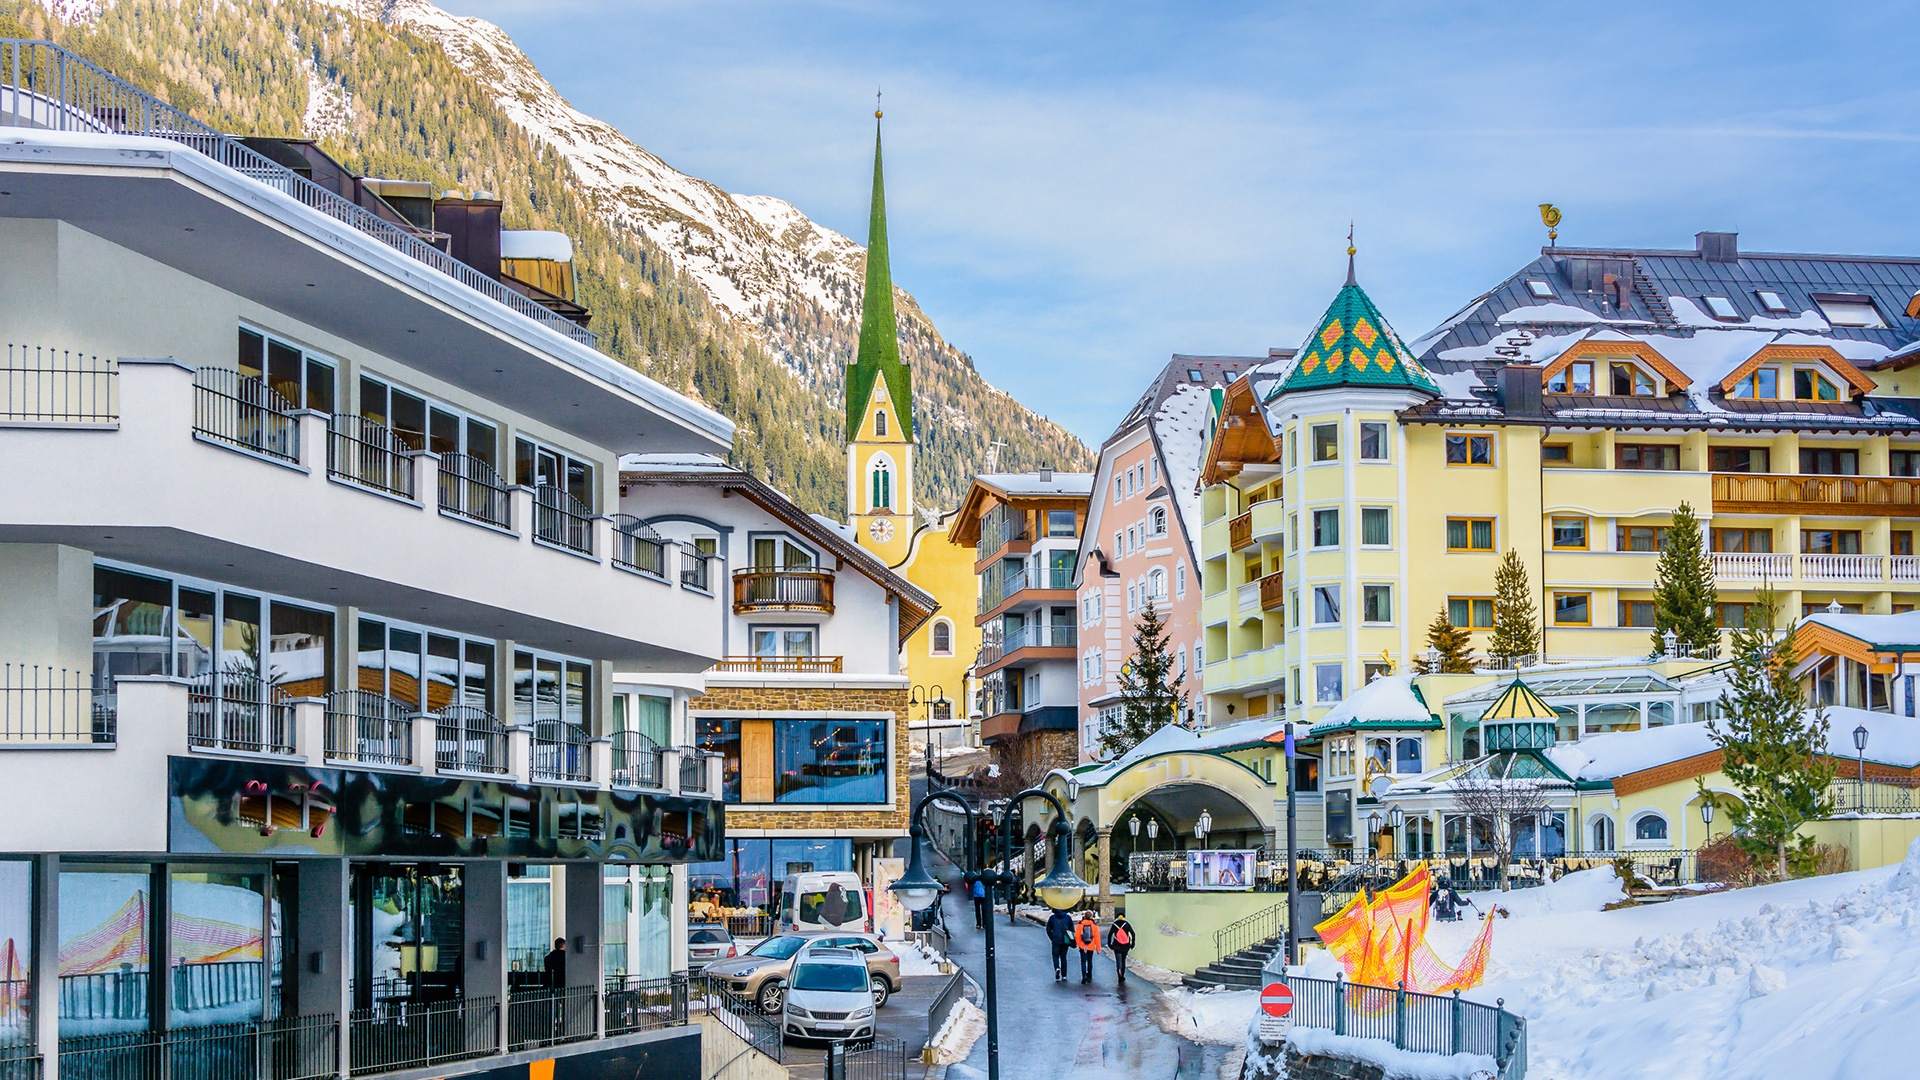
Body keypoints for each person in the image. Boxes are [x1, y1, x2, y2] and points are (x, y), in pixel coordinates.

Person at [1106, 914, 1135, 985]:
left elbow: (1109, 934)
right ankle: (1123, 974)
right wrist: (1133, 943)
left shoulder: (1114, 925)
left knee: (1118, 961)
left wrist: (1109, 944)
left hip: (1117, 945)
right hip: (1125, 946)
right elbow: (1133, 933)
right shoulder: (1127, 924)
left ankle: (1119, 975)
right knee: (1123, 960)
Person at [1045, 908, 1073, 981]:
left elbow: (1048, 929)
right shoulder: (1068, 917)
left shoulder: (1052, 918)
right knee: (1063, 957)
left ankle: (1057, 968)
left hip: (1056, 939)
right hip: (1065, 940)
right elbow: (1072, 930)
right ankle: (1064, 975)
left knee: (1055, 956)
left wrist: (1052, 937)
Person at [1074, 911, 1100, 984]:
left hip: (1083, 946)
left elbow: (1077, 936)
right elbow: (1097, 938)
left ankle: (1084, 975)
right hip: (1091, 946)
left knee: (1083, 961)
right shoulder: (1094, 926)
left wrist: (1079, 944)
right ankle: (1089, 976)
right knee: (1089, 961)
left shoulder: (1080, 925)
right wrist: (1098, 948)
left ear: (1084, 916)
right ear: (1091, 917)